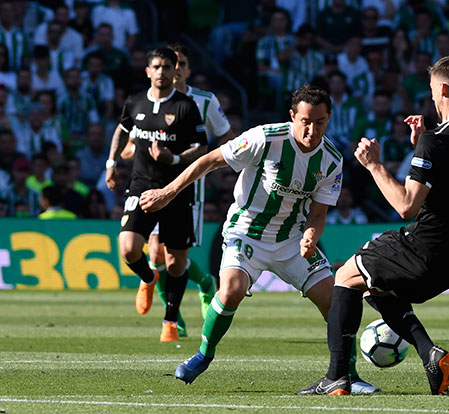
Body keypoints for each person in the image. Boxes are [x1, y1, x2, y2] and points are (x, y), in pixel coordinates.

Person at [139, 84, 379, 394]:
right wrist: (167, 193)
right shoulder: (264, 138)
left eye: (320, 122)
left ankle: (348, 375)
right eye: (305, 122)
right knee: (231, 290)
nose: (312, 130)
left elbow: (318, 214)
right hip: (246, 232)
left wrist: (311, 235)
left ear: (329, 118)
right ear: (292, 116)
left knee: (336, 301)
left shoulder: (331, 160)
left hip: (291, 239)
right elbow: (210, 160)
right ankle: (204, 354)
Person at [298, 55, 449, 395]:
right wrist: (421, 145)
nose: (431, 96)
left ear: (443, 89)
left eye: (432, 89)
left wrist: (374, 165)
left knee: (345, 276)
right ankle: (430, 355)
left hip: (424, 250)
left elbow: (406, 205)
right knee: (374, 286)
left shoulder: (437, 141)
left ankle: (336, 377)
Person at [120, 43, 235, 338]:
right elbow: (128, 135)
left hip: (188, 186)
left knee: (174, 257)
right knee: (155, 254)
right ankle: (173, 313)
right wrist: (129, 152)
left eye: (180, 64)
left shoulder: (203, 101)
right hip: (148, 183)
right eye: (171, 64)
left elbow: (226, 138)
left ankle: (194, 294)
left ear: (186, 69)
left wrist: (210, 167)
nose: (175, 70)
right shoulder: (145, 101)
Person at [105, 47, 208, 342]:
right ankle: (149, 278)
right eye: (157, 66)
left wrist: (173, 159)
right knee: (128, 248)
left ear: (175, 71)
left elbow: (201, 147)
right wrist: (111, 163)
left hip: (176, 190)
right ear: (148, 71)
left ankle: (170, 321)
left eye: (167, 67)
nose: (162, 72)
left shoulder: (186, 106)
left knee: (176, 262)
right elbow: (122, 130)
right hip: (141, 186)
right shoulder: (135, 101)